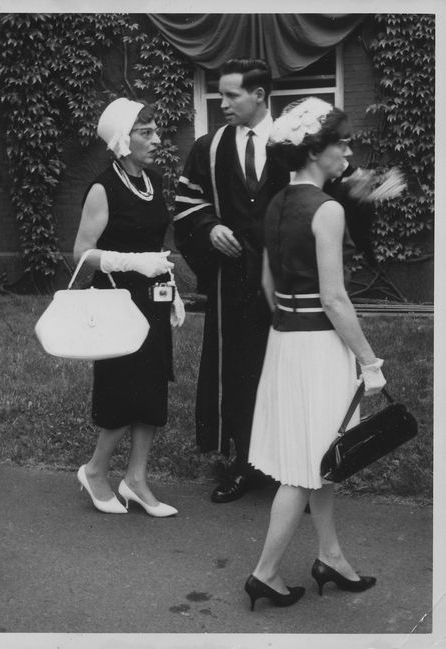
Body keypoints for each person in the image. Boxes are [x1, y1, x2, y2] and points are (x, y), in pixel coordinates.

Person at [244, 97, 386, 610]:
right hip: (320, 346)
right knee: (305, 469)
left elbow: (266, 278)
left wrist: (288, 320)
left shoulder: (278, 202)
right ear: (313, 151)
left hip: (285, 342)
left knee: (322, 459)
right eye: (340, 141)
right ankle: (264, 573)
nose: (348, 148)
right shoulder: (325, 209)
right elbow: (334, 298)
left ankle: (332, 557)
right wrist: (370, 362)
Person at [174, 58, 292, 503]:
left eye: (230, 95)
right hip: (234, 282)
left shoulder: (295, 144)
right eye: (219, 94)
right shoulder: (209, 147)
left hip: (287, 279)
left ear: (260, 95)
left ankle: (289, 473)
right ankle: (245, 463)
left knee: (285, 370)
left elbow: (325, 195)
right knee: (238, 369)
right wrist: (208, 226)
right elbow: (188, 200)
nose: (220, 103)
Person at [73, 98, 185, 516]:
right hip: (118, 300)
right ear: (123, 140)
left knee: (152, 387)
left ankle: (136, 479)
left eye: (156, 131)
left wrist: (169, 285)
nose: (157, 139)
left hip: (150, 299)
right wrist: (131, 261)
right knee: (125, 389)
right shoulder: (104, 187)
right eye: (146, 133)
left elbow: (157, 243)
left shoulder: (154, 180)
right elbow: (81, 253)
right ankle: (96, 470)